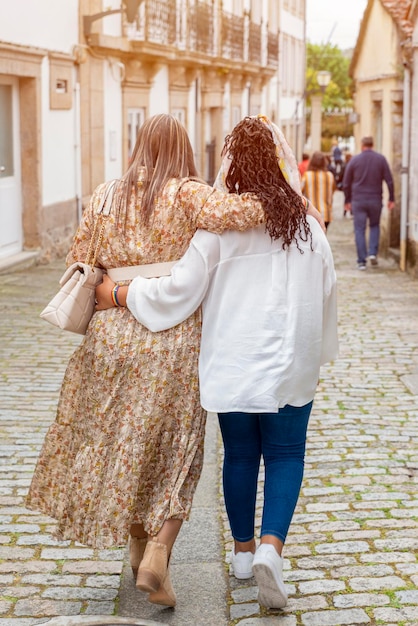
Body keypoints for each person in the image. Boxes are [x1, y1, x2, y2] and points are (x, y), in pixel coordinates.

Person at [26, 113, 273, 609]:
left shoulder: (103, 196)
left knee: (126, 447)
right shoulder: (186, 193)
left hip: (111, 337)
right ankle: (158, 552)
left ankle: (139, 551)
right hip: (171, 340)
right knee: (177, 452)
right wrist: (281, 190)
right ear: (182, 148)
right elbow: (242, 214)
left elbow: (80, 256)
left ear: (139, 144)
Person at [96, 115, 339, 609]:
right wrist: (320, 352)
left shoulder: (216, 232)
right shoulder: (308, 228)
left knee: (241, 456)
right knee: (287, 455)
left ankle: (244, 555)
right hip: (291, 361)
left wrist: (121, 292)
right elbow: (327, 291)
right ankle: (273, 547)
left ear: (231, 165)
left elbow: (179, 292)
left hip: (234, 362)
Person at [343, 136, 394, 270]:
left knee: (359, 229)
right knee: (375, 225)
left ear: (361, 145)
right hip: (375, 199)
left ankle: (361, 261)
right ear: (373, 144)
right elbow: (389, 180)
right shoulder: (381, 159)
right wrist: (391, 198)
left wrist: (347, 200)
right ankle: (372, 253)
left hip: (358, 200)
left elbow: (346, 183)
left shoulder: (354, 160)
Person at [301, 151, 336, 231]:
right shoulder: (330, 175)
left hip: (312, 213)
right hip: (326, 213)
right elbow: (333, 190)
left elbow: (298, 192)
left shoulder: (307, 175)